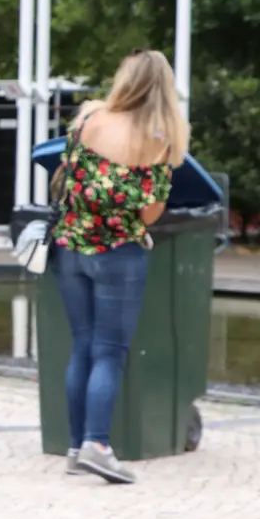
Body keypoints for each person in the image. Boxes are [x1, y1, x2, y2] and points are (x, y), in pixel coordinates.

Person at [51, 49, 187, 484]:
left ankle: (76, 448)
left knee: (82, 345)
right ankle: (98, 444)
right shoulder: (157, 138)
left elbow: (65, 180)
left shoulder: (87, 120)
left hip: (70, 247)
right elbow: (149, 213)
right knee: (109, 351)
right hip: (118, 254)